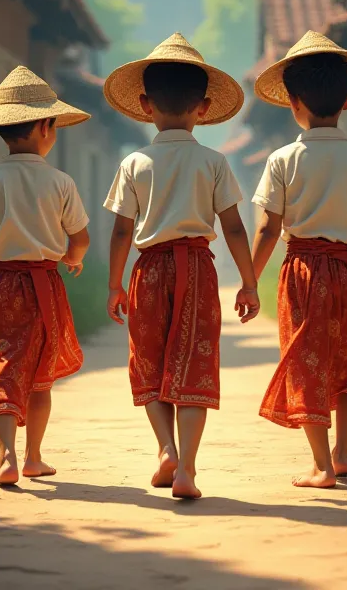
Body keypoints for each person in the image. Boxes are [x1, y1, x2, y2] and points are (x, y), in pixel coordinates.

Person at [102, 33, 260, 500]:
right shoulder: (213, 161)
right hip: (197, 268)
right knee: (195, 364)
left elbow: (120, 233)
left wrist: (114, 285)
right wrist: (249, 283)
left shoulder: (135, 163)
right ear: (204, 108)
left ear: (146, 105)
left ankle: (166, 448)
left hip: (148, 271)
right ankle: (187, 468)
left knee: (148, 362)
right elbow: (234, 228)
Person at [250, 31, 347, 489]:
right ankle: (343, 453)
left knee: (305, 360)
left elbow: (269, 229)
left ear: (292, 102)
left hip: (302, 273)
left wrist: (250, 281)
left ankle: (320, 466)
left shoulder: (282, 160)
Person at [0, 65, 91, 486]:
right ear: (46, 128)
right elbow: (81, 238)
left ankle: (6, 456)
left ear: (1, 131)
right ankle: (34, 457)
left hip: (1, 287)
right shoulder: (61, 182)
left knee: (2, 365)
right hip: (46, 285)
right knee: (38, 376)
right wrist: (71, 257)